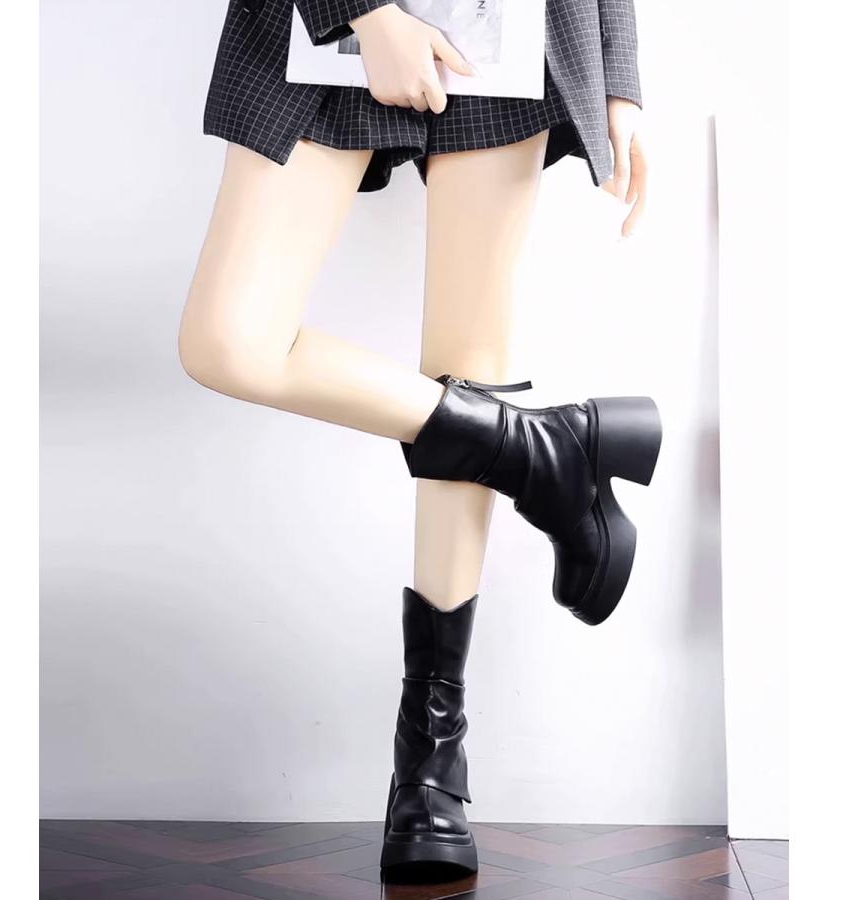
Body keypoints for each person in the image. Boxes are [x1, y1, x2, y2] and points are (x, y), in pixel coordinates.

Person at [179, 0, 660, 878]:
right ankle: (543, 452)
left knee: (468, 366)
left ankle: (431, 762)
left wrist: (617, 73)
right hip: (321, 23)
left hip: (508, 29)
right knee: (228, 341)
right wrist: (365, 16)